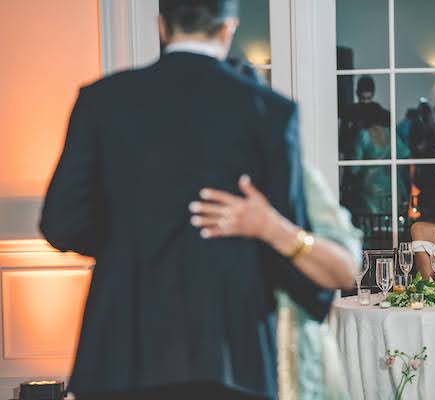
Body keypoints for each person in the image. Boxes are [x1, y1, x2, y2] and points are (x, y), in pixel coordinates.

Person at [39, 1, 332, 399]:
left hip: (121, 351)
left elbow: (60, 222)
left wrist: (127, 244)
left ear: (162, 27)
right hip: (231, 350)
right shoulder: (269, 110)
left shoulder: (101, 100)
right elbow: (283, 230)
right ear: (229, 28)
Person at [207, 58, 360, 400]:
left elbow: (345, 270)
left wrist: (273, 228)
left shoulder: (298, 178)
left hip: (293, 368)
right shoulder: (182, 187)